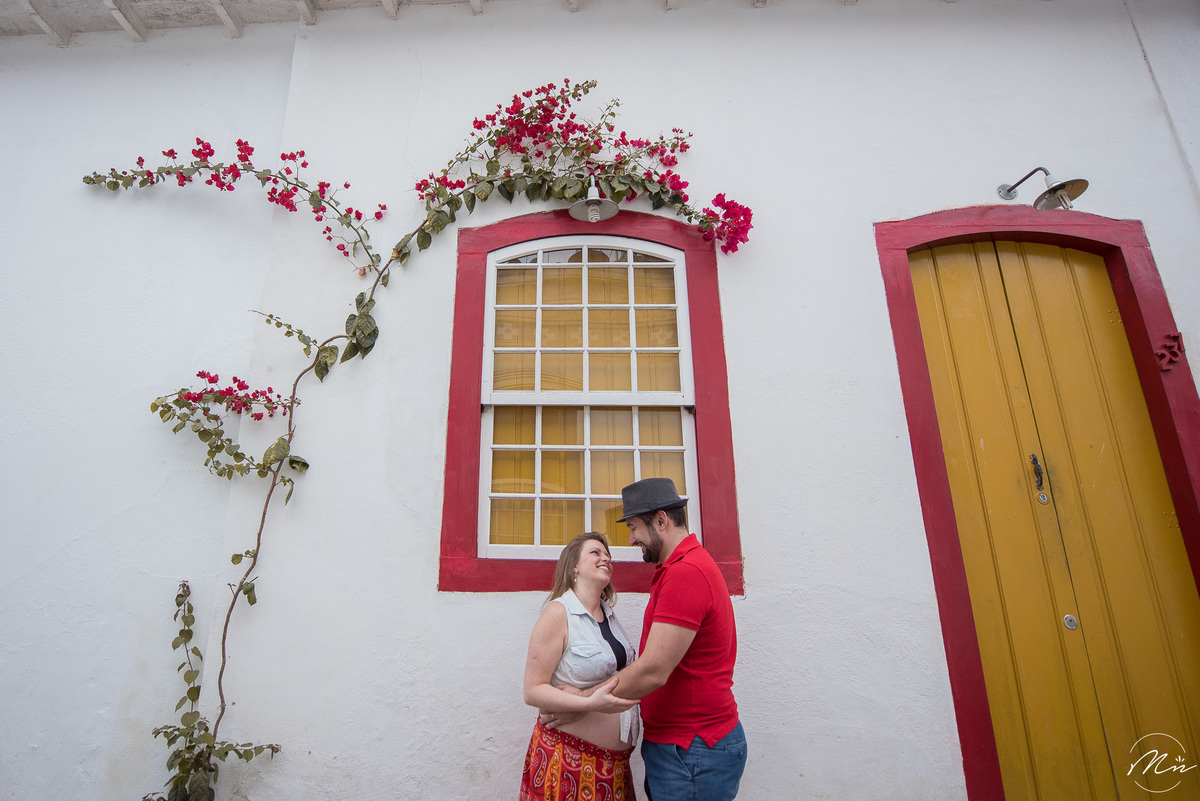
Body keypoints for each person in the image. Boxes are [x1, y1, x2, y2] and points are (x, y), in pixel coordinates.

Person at [554, 477, 747, 801]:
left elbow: (652, 670)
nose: (631, 540)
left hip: (692, 750)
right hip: (686, 749)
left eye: (634, 527)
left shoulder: (686, 573)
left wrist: (583, 703)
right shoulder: (683, 568)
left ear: (661, 520)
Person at [519, 532, 641, 801]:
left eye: (607, 554)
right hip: (569, 764)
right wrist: (587, 704)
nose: (605, 558)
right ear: (574, 565)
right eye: (595, 552)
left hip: (615, 769)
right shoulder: (558, 613)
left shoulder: (610, 617)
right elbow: (532, 690)